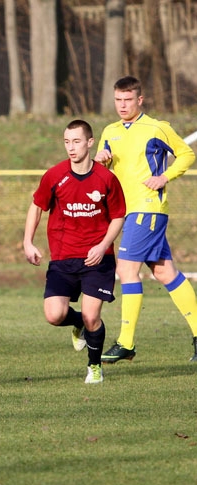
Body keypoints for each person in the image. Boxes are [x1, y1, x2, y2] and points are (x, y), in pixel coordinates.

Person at [95, 76, 197, 364]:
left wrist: (164, 177)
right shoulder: (110, 131)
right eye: (118, 100)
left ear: (140, 100)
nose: (122, 105)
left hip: (147, 208)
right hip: (124, 211)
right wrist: (101, 159)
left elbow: (186, 154)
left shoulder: (157, 128)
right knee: (165, 273)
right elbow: (106, 169)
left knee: (127, 270)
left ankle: (126, 342)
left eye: (128, 100)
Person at [23, 119, 126, 383]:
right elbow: (37, 206)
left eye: (77, 141)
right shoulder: (55, 175)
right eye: (67, 142)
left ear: (90, 143)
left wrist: (103, 246)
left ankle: (94, 367)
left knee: (94, 316)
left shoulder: (106, 179)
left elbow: (117, 217)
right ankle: (78, 322)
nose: (71, 147)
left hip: (97, 259)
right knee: (54, 315)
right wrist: (27, 241)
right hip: (63, 258)